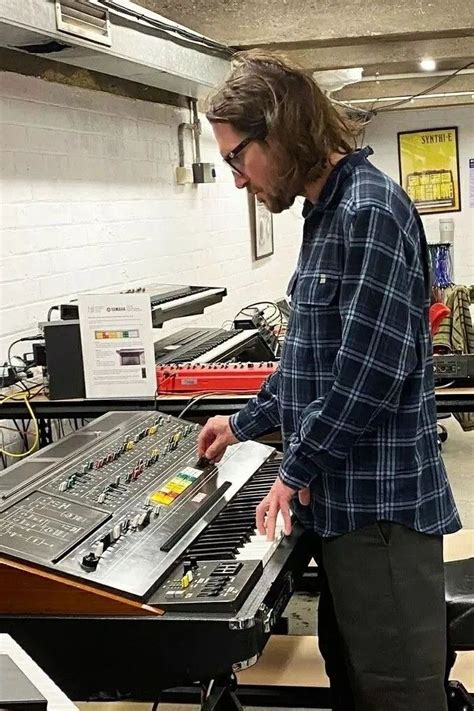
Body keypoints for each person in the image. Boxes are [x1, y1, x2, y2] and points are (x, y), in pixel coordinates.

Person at [197, 50, 461, 711]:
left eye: (237, 157)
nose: (235, 179)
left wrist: (294, 468)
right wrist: (243, 422)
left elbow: (365, 375)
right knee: (356, 683)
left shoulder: (369, 210)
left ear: (281, 132)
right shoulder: (324, 214)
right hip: (345, 510)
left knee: (397, 697)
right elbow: (309, 364)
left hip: (382, 515)